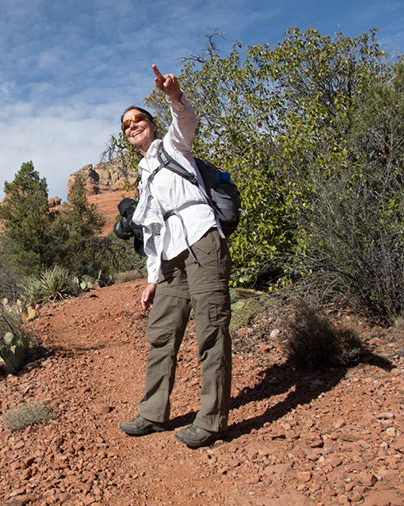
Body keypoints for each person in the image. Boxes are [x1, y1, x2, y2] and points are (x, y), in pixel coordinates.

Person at [118, 65, 232, 449]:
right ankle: (153, 413)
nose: (132, 125)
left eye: (137, 119)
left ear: (151, 122)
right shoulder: (143, 172)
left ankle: (212, 420)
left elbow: (186, 120)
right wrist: (152, 278)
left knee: (211, 330)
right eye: (126, 125)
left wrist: (173, 95)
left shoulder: (172, 146)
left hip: (201, 241)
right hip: (169, 258)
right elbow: (152, 231)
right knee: (162, 334)